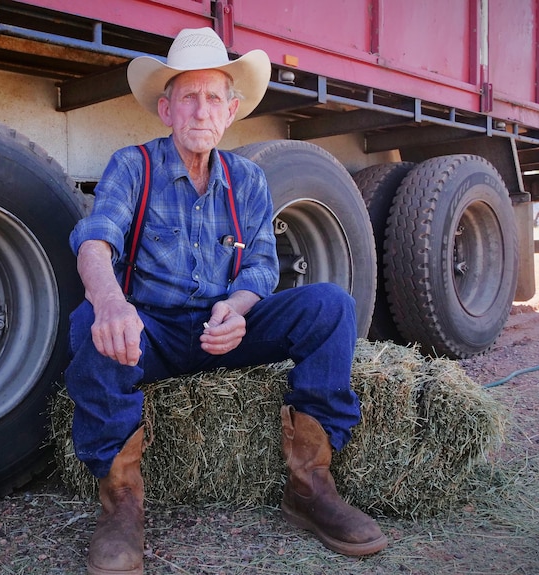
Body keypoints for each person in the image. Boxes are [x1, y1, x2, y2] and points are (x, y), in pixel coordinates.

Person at [66, 27, 387, 575]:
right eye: (187, 96)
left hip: (225, 326)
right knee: (88, 322)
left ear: (231, 110)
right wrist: (112, 303)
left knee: (330, 305)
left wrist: (236, 310)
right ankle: (121, 505)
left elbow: (262, 264)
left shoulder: (249, 179)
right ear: (166, 108)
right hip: (156, 332)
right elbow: (96, 239)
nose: (200, 109)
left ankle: (310, 488)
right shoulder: (133, 166)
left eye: (213, 96)